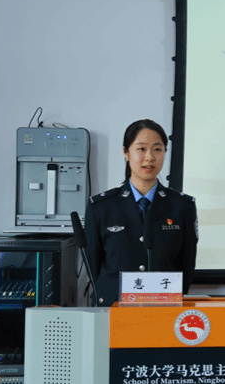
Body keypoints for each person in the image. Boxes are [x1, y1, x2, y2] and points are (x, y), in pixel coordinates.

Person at [84, 119, 197, 306]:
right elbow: (93, 266)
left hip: (164, 308)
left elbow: (186, 265)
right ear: (125, 152)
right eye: (141, 149)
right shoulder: (101, 207)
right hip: (114, 309)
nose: (150, 157)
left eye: (157, 149)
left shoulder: (182, 206)